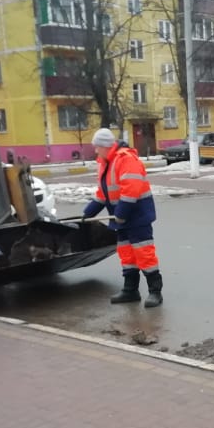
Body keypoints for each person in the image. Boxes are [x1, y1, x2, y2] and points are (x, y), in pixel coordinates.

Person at [82, 128, 163, 307]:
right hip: (121, 217)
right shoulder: (105, 162)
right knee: (126, 254)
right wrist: (87, 213)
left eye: (97, 147)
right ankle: (130, 290)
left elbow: (131, 190)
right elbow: (103, 193)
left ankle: (155, 292)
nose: (95, 151)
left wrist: (120, 214)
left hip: (137, 216)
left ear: (105, 146)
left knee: (144, 253)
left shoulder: (126, 159)